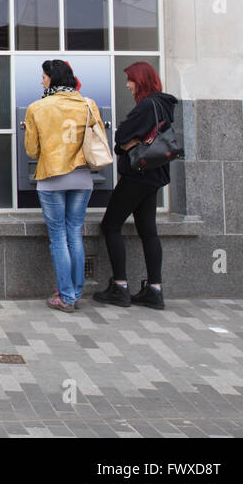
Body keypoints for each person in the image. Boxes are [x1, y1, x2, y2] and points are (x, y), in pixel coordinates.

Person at [21, 59, 107, 313]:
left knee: (58, 237)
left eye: (44, 76)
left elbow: (32, 149)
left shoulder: (37, 108)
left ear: (52, 78)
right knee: (74, 233)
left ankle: (66, 296)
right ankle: (75, 292)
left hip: (51, 179)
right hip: (83, 178)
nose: (41, 80)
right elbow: (98, 140)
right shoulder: (88, 104)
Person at [93, 62, 177, 310]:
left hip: (138, 175)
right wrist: (128, 142)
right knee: (148, 230)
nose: (128, 85)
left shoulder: (147, 105)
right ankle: (154, 290)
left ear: (141, 81)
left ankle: (120, 287)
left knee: (111, 225)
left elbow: (121, 137)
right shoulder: (164, 104)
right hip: (155, 175)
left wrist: (125, 142)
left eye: (130, 80)